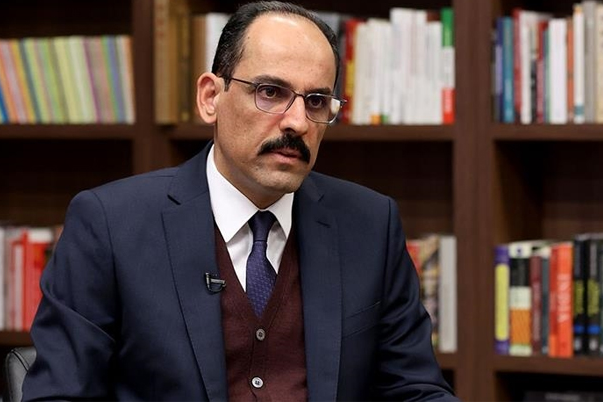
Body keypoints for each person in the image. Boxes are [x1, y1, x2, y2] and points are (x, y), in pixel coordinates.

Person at [23, 1, 459, 400]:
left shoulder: (370, 224)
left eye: (316, 101)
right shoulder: (109, 224)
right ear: (211, 97)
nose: (297, 122)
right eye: (270, 92)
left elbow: (415, 390)